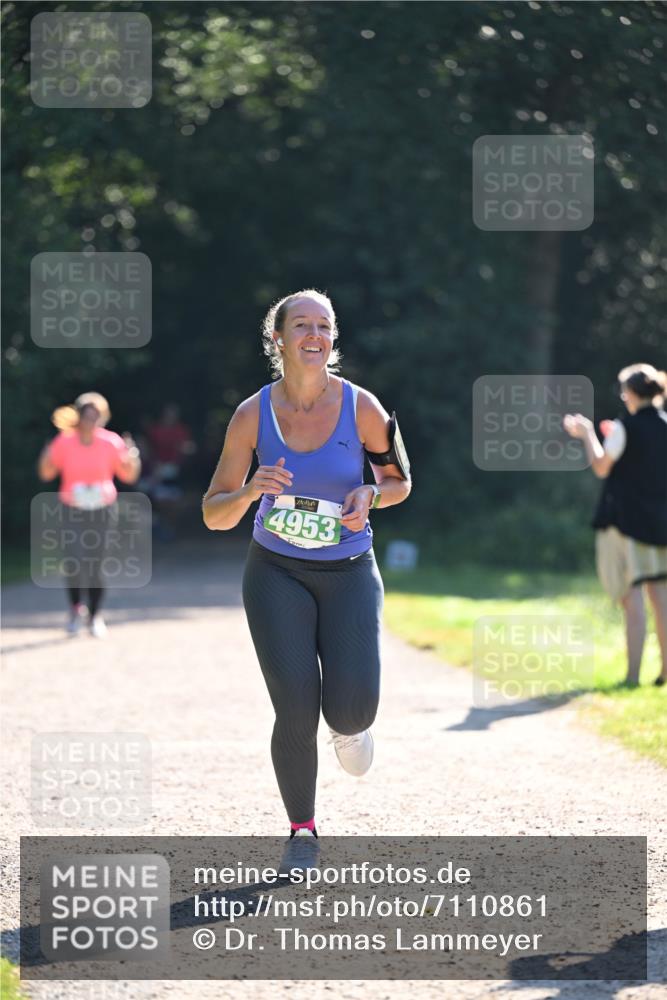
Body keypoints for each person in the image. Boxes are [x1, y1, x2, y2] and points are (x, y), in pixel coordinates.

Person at [202, 289, 411, 870]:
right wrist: (248, 491)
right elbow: (213, 512)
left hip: (347, 571)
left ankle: (349, 728)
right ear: (279, 339)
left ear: (333, 338)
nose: (313, 335)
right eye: (301, 325)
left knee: (351, 710)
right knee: (294, 706)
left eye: (324, 325)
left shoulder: (364, 407)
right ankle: (302, 831)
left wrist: (372, 491)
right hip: (275, 572)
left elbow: (401, 482)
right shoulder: (251, 415)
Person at [564, 363, 667, 687]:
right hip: (660, 523)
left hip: (626, 523)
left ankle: (632, 676)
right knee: (661, 598)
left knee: (630, 596)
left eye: (624, 392)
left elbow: (602, 467)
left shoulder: (626, 425)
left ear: (633, 393)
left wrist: (587, 433)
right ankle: (664, 673)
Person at [37, 392, 141, 638]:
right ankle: (75, 610)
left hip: (102, 508)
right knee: (73, 560)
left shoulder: (111, 442)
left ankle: (95, 616)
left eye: (97, 416)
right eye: (88, 416)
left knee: (96, 564)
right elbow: (46, 473)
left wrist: (133, 456)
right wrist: (46, 454)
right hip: (72, 507)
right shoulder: (64, 441)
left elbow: (129, 475)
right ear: (79, 417)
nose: (92, 421)